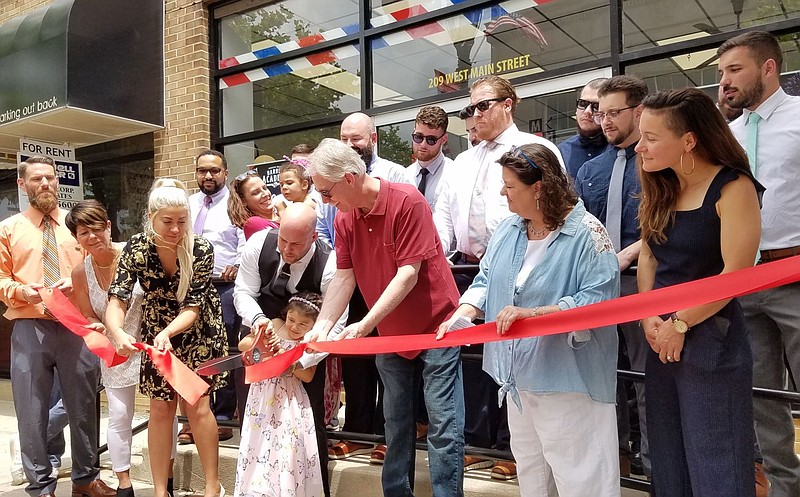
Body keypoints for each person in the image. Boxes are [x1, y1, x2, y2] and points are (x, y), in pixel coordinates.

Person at [438, 143, 621, 497]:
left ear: (538, 188)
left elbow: (599, 301)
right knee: (533, 476)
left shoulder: (588, 233)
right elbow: (486, 280)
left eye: (510, 186)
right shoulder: (509, 229)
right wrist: (464, 313)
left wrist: (533, 315)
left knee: (581, 478)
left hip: (569, 379)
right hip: (516, 377)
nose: (502, 192)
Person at [306, 138, 465, 497]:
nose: (325, 202)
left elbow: (408, 273)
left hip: (436, 326)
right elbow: (344, 276)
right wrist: (321, 328)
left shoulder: (407, 200)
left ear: (349, 178)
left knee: (443, 423)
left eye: (326, 192)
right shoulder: (345, 218)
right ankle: (396, 492)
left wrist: (363, 326)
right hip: (391, 331)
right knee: (395, 422)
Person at [433, 75, 566, 479]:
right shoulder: (463, 162)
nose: (473, 116)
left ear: (509, 104)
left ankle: (514, 448)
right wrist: (441, 258)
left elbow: (556, 206)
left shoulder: (536, 149)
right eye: (467, 109)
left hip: (525, 262)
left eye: (482, 106)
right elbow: (442, 214)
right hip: (467, 267)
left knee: (518, 351)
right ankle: (478, 441)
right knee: (474, 360)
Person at [635, 87, 762, 496]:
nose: (640, 147)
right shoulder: (662, 186)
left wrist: (681, 323)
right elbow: (649, 257)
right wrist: (648, 317)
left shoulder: (732, 186)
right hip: (661, 338)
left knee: (717, 456)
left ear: (688, 141)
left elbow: (736, 273)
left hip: (711, 338)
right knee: (668, 456)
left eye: (651, 138)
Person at [0, 156, 115, 497]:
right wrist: (20, 290)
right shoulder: (9, 229)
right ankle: (40, 486)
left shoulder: (75, 225)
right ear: (23, 185)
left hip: (77, 325)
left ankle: (85, 479)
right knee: (31, 409)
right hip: (30, 324)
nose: (46, 184)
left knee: (83, 406)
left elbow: (100, 263)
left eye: (50, 178)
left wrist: (75, 281)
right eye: (37, 179)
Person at [106, 178, 227, 497]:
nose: (176, 229)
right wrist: (117, 331)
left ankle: (212, 486)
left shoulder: (201, 249)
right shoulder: (135, 248)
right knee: (160, 408)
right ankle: (161, 491)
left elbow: (193, 307)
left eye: (182, 221)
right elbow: (117, 298)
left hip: (197, 329)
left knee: (198, 406)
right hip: (155, 323)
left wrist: (168, 332)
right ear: (151, 216)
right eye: (167, 222)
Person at [718, 30, 800, 497]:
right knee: (762, 396)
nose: (725, 81)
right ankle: (786, 489)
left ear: (768, 68)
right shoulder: (728, 135)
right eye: (723, 72)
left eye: (735, 70)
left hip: (794, 273)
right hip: (743, 278)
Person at [319, 112, 412, 463]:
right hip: (354, 283)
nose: (350, 145)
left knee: (390, 366)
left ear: (373, 138)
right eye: (344, 138)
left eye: (356, 138)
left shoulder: (396, 177)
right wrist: (323, 325)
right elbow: (333, 235)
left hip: (394, 287)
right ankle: (358, 430)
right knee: (357, 363)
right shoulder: (336, 197)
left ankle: (388, 436)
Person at [233, 203, 343, 497]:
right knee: (254, 418)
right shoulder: (259, 243)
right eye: (282, 239)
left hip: (307, 343)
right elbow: (243, 290)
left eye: (296, 243)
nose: (286, 248)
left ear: (314, 236)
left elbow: (336, 322)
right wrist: (258, 323)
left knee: (309, 423)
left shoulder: (329, 263)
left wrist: (300, 360)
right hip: (262, 331)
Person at [574, 74, 649, 477]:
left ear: (639, 111)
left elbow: (664, 221)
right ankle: (613, 461)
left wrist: (628, 255)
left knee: (646, 375)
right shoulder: (591, 169)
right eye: (600, 113)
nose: (603, 121)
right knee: (605, 375)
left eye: (613, 113)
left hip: (645, 281)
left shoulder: (657, 161)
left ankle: (653, 464)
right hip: (599, 285)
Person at [67, 200, 147, 497]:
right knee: (119, 414)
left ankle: (166, 483)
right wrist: (96, 325)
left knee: (165, 411)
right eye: (83, 232)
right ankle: (124, 483)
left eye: (96, 228)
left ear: (109, 226)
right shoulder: (80, 273)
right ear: (76, 238)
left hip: (152, 342)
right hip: (115, 349)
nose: (91, 236)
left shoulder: (135, 253)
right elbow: (87, 313)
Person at [235, 292, 325, 497]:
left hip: (289, 400)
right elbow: (243, 346)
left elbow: (308, 375)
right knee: (258, 441)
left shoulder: (308, 343)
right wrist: (265, 343)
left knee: (286, 446)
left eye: (303, 324)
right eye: (292, 319)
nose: (294, 327)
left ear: (313, 326)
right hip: (262, 395)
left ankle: (285, 489)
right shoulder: (275, 324)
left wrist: (285, 359)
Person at [187, 150, 245, 443]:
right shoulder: (188, 204)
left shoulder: (235, 203)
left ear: (225, 172)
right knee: (195, 350)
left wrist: (237, 263)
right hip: (193, 288)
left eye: (214, 171)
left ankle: (222, 417)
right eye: (202, 171)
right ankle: (196, 414)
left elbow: (245, 241)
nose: (207, 176)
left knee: (223, 350)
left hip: (224, 287)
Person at [558, 77, 609, 179]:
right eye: (582, 104)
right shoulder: (561, 152)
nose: (587, 111)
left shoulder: (620, 149)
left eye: (596, 106)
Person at [406, 106, 453, 211]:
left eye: (431, 140)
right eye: (418, 137)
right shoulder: (404, 176)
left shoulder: (453, 174)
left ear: (444, 139)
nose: (423, 145)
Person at [227, 170, 280, 240]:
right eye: (256, 193)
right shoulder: (253, 223)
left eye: (265, 188)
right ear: (243, 201)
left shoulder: (281, 211)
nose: (266, 194)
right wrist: (284, 213)